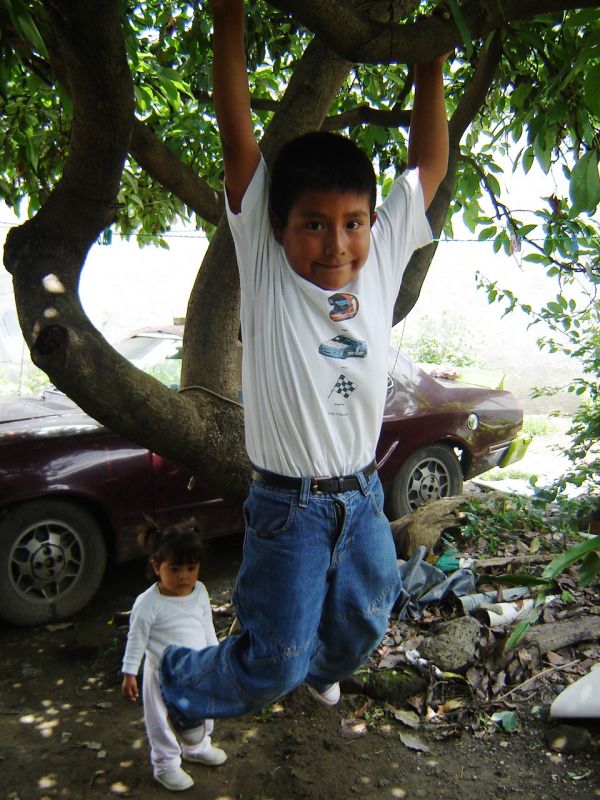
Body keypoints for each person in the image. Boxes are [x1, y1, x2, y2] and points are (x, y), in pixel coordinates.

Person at [159, 0, 449, 741]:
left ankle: (319, 668)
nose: (335, 243)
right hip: (287, 511)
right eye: (313, 224)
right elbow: (238, 143)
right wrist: (229, 24)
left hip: (360, 497)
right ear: (277, 226)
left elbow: (428, 166)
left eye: (351, 222)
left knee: (365, 621)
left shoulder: (381, 257)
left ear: (372, 225)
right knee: (274, 662)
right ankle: (179, 685)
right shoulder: (264, 261)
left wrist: (429, 66)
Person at [121, 523, 227, 791]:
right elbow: (136, 639)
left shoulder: (200, 591)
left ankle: (197, 747)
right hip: (162, 677)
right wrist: (129, 672)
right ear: (157, 567)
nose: (184, 576)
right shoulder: (148, 604)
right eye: (175, 569)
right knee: (162, 721)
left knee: (202, 711)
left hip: (198, 668)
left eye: (191, 569)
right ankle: (165, 764)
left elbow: (207, 626)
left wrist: (216, 657)